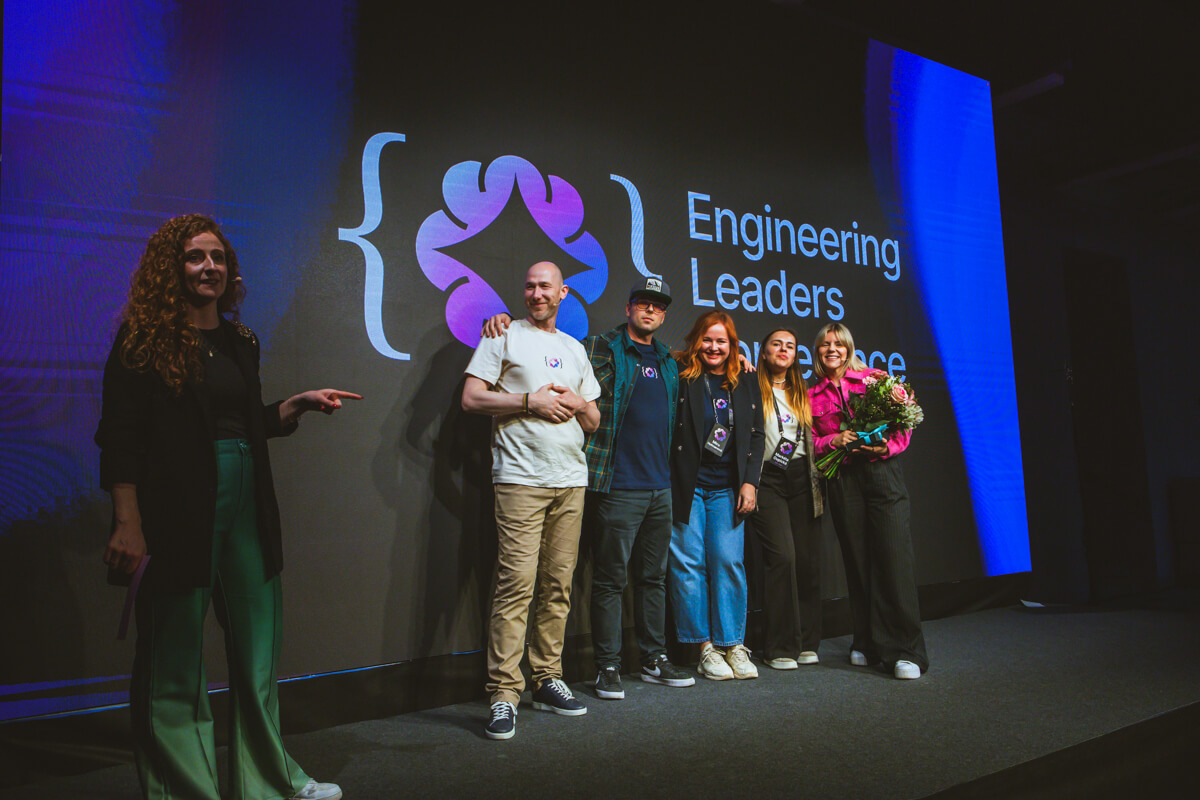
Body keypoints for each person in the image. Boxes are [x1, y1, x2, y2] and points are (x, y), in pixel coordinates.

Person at [96, 214, 358, 800]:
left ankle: (268, 781)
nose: (208, 266)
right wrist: (128, 519)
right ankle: (186, 790)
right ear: (172, 268)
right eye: (194, 257)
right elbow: (119, 436)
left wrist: (294, 406)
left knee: (258, 651)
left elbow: (243, 423)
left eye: (217, 257)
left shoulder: (241, 340)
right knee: (175, 659)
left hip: (246, 505)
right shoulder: (143, 339)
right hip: (177, 510)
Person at [482, 277, 695, 700]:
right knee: (606, 579)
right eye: (641, 303)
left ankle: (651, 658)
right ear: (628, 307)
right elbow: (547, 349)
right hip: (614, 481)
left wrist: (742, 363)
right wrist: (501, 320)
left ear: (664, 314)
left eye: (657, 306)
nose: (649, 311)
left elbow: (711, 362)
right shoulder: (597, 346)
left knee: (651, 578)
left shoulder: (671, 361)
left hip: (657, 485)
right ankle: (606, 667)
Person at [462, 261, 601, 740]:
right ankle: (504, 693)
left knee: (558, 586)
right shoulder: (502, 334)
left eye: (545, 286)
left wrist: (579, 404)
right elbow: (471, 400)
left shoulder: (573, 347)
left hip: (571, 480)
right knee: (515, 587)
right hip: (520, 479)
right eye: (529, 286)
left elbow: (594, 420)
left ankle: (548, 679)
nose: (536, 293)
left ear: (563, 293)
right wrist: (529, 403)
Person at [809, 322, 928, 680]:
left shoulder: (875, 379)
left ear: (849, 347)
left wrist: (883, 447)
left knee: (893, 560)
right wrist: (834, 441)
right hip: (844, 479)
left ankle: (906, 651)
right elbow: (810, 442)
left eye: (839, 344)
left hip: (881, 474)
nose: (833, 349)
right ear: (817, 352)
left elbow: (903, 427)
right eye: (825, 345)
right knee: (858, 562)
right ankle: (867, 641)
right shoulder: (811, 393)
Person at [668, 311, 765, 680]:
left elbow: (756, 434)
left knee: (728, 562)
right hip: (688, 486)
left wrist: (750, 482)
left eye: (722, 341)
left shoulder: (745, 380)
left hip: (728, 487)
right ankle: (704, 647)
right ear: (696, 341)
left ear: (732, 345)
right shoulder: (682, 376)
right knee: (689, 566)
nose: (714, 347)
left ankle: (733, 645)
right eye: (707, 339)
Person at [747, 328, 826, 670]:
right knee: (783, 557)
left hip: (802, 477)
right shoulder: (749, 385)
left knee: (807, 562)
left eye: (790, 345)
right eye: (776, 344)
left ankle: (807, 642)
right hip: (767, 478)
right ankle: (778, 646)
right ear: (763, 352)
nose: (783, 349)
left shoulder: (804, 392)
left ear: (796, 355)